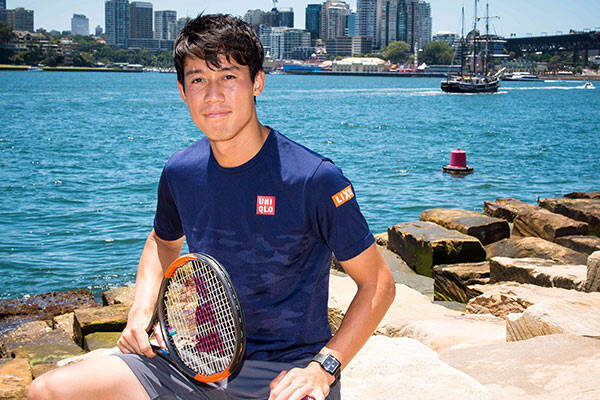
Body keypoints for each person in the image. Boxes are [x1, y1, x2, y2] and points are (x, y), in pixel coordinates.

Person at [28, 14, 395, 400]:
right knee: (49, 391)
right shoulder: (180, 171)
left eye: (229, 76)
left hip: (287, 371)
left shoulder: (314, 178)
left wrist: (324, 368)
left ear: (257, 82)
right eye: (199, 80)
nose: (213, 95)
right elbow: (162, 242)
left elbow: (379, 284)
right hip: (195, 362)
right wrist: (140, 311)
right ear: (182, 91)